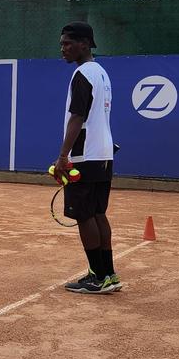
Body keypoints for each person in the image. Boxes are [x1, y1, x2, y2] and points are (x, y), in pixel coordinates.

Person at [54, 21, 122, 294]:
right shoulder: (101, 73)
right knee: (97, 213)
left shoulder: (82, 74)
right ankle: (108, 274)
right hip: (103, 153)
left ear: (85, 44)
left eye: (68, 43)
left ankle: (97, 277)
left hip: (85, 155)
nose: (63, 49)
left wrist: (62, 156)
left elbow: (77, 117)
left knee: (85, 216)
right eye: (61, 44)